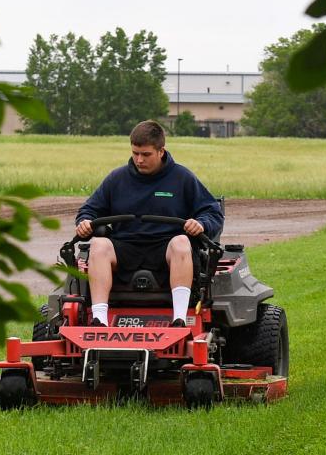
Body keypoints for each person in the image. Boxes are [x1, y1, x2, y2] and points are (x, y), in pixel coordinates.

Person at [75, 120, 224, 328]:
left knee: (182, 241)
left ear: (161, 151)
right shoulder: (116, 179)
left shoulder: (182, 178)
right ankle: (99, 320)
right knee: (98, 245)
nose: (139, 159)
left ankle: (180, 319)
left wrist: (201, 224)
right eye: (135, 153)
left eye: (145, 155)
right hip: (125, 247)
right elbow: (88, 211)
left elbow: (212, 213)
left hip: (166, 249)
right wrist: (84, 222)